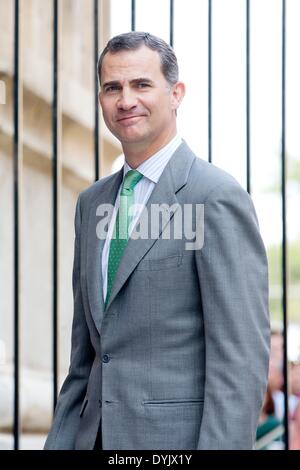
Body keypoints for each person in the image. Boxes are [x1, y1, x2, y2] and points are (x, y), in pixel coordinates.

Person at [44, 31, 270, 450]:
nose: (125, 100)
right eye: (113, 87)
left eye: (141, 84)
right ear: (101, 100)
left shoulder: (215, 196)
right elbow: (86, 358)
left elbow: (240, 364)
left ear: (176, 93)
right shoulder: (91, 203)